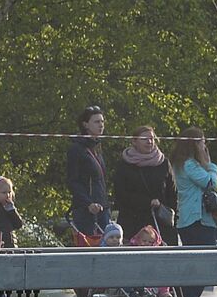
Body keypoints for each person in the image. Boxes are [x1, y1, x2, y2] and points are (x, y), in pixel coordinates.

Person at [170, 127, 217, 297]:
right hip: (197, 219)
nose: (205, 145)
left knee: (194, 262)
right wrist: (211, 165)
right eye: (202, 141)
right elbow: (209, 182)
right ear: (195, 143)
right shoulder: (189, 164)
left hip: (187, 219)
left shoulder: (179, 163)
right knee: (202, 262)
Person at [113, 126, 178, 245]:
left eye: (152, 138)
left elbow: (172, 194)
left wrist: (166, 211)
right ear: (134, 141)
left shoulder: (163, 163)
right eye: (145, 139)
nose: (149, 142)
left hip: (160, 225)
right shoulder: (124, 164)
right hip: (132, 224)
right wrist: (147, 202)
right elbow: (120, 194)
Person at [65, 105, 110, 236]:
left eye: (102, 121)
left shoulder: (97, 147)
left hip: (102, 207)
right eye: (96, 122)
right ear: (85, 125)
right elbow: (72, 181)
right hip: (86, 210)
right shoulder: (77, 149)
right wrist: (88, 203)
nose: (101, 125)